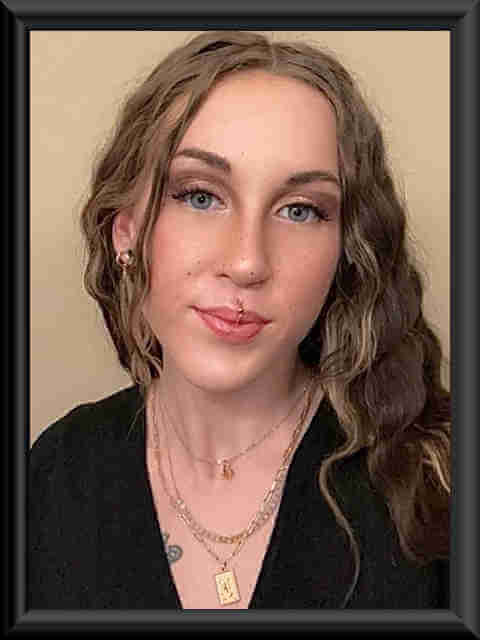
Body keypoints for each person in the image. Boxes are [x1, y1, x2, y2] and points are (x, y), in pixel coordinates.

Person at [28, 30, 450, 610]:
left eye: (300, 210)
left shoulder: (438, 479)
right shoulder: (54, 475)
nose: (248, 262)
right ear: (125, 231)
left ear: (346, 253)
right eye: (200, 196)